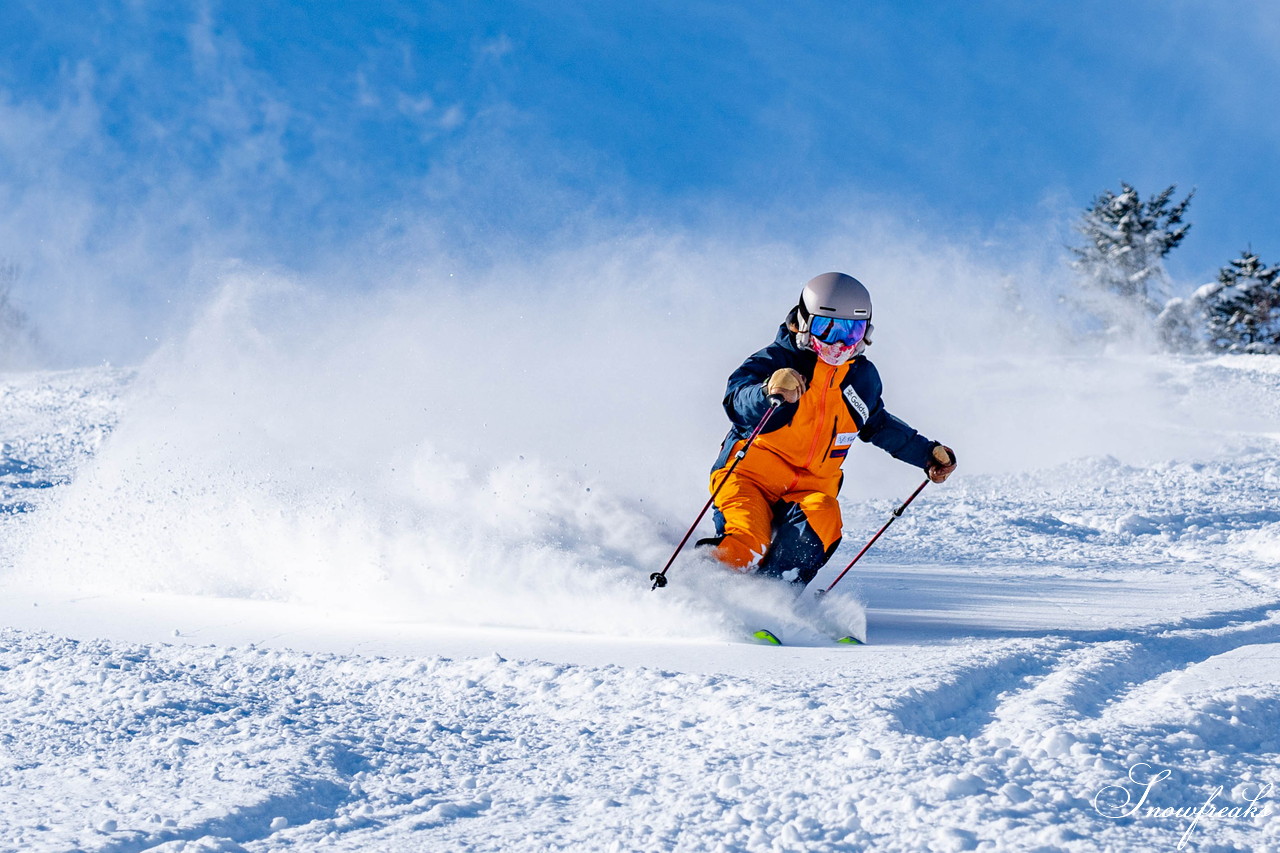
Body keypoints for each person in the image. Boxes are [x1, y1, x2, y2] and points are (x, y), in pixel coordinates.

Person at [699, 272, 956, 584]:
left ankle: (771, 601)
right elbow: (736, 401)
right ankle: (702, 592)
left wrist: (927, 454)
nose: (838, 343)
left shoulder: (860, 379)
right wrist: (768, 390)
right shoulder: (778, 360)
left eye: (852, 331)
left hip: (810, 490)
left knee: (823, 518)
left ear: (867, 332)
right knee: (748, 543)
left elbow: (877, 424)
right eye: (827, 328)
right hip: (750, 478)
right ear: (805, 322)